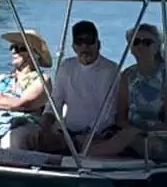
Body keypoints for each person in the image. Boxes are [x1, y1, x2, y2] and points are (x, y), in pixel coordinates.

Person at [88, 27, 167, 160]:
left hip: (158, 138)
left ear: (156, 47)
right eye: (136, 42)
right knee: (90, 138)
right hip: (128, 133)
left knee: (128, 138)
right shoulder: (128, 75)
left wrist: (141, 130)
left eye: (147, 42)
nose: (141, 45)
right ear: (130, 48)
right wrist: (130, 130)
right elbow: (121, 117)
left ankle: (84, 158)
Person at [39, 19, 118, 153]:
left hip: (99, 133)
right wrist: (45, 128)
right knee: (38, 141)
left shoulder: (110, 70)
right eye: (79, 42)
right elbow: (55, 102)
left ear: (98, 44)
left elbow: (107, 115)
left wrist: (84, 136)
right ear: (74, 47)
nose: (85, 47)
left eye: (89, 41)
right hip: (68, 132)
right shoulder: (66, 66)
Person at [0, 30, 51, 150]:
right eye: (12, 47)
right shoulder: (0, 79)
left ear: (34, 54)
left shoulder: (42, 79)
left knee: (11, 140)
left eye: (19, 48)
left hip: (24, 123)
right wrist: (5, 102)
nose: (13, 51)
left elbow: (23, 104)